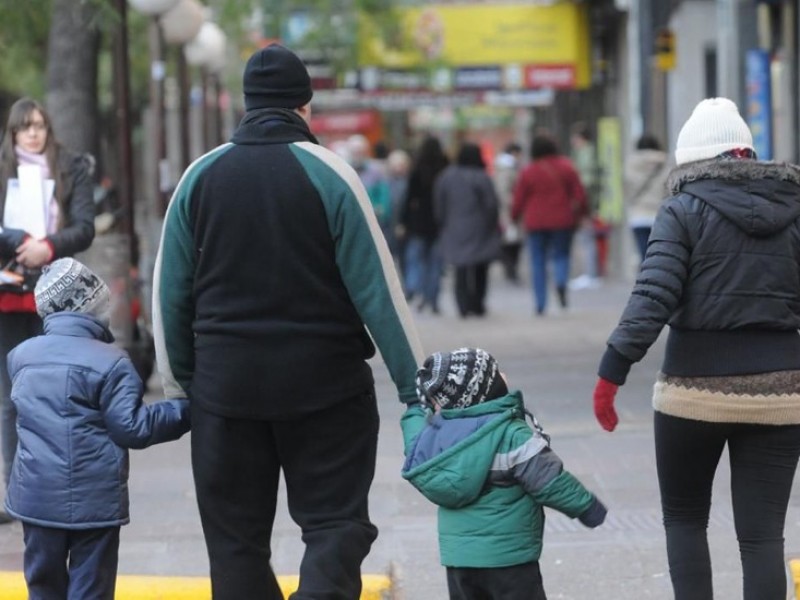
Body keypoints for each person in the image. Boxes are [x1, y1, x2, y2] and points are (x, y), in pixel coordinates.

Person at [152, 43, 425, 600]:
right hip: (325, 389)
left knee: (234, 544)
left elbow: (169, 295)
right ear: (305, 107)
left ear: (247, 105)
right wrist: (415, 389)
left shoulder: (198, 178)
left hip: (226, 392)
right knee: (335, 525)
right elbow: (380, 293)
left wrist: (182, 386)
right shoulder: (331, 175)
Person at [592, 97, 800, 600]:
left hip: (693, 391)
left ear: (691, 160)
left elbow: (654, 293)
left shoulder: (681, 209)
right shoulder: (795, 208)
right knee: (762, 536)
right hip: (782, 391)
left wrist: (612, 371)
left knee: (684, 521)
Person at [5, 257, 190, 600]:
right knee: (91, 589)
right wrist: (184, 410)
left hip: (34, 500)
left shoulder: (20, 356)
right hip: (93, 503)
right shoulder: (112, 361)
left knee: (43, 587)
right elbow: (132, 428)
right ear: (92, 306)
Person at [401, 347, 607, 600]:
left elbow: (413, 437)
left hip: (459, 562)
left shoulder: (434, 437)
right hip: (509, 560)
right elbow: (549, 480)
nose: (504, 374)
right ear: (485, 388)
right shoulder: (510, 433)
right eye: (496, 372)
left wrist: (413, 408)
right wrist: (586, 506)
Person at [0, 97, 96, 523]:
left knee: (56, 393)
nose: (33, 133)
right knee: (9, 398)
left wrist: (48, 246)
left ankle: (55, 487)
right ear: (13, 133)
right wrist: (13, 239)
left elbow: (85, 226)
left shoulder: (71, 166)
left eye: (39, 125)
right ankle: (13, 490)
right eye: (25, 127)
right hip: (7, 295)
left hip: (56, 296)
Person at [512, 133, 587, 316]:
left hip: (535, 221)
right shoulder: (566, 167)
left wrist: (514, 216)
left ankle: (540, 303)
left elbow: (519, 198)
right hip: (562, 219)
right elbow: (580, 194)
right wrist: (583, 213)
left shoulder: (529, 171)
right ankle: (561, 282)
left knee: (537, 261)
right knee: (561, 255)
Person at [434, 142, 502, 318]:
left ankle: (463, 305)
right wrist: (491, 224)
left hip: (454, 227)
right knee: (480, 268)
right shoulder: (481, 176)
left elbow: (439, 204)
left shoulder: (446, 176)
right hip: (480, 228)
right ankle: (478, 303)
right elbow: (491, 204)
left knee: (460, 269)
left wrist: (443, 222)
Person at [400, 135, 449, 313]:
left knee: (417, 260)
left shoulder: (417, 169)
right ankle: (433, 299)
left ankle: (417, 291)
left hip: (418, 222)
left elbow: (409, 198)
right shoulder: (445, 168)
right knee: (436, 263)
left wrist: (403, 221)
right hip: (439, 222)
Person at [624, 133, 670, 262]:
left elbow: (626, 190)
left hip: (638, 216)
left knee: (643, 255)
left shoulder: (630, 164)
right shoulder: (665, 164)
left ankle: (645, 279)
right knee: (660, 256)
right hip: (659, 215)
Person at [568, 122, 603, 290]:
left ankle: (590, 274)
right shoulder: (586, 152)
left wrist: (580, 201)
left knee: (587, 238)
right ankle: (589, 273)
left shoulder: (586, 153)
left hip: (586, 203)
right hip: (587, 202)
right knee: (586, 238)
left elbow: (586, 181)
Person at [346, 133, 393, 242]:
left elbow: (384, 197)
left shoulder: (376, 171)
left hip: (374, 223)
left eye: (360, 152)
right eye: (354, 152)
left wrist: (380, 212)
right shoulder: (344, 169)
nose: (357, 155)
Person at [492, 142, 524, 283]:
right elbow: (503, 192)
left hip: (510, 211)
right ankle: (510, 269)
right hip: (509, 212)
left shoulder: (505, 168)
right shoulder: (507, 170)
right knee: (511, 243)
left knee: (512, 242)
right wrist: (514, 203)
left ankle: (510, 269)